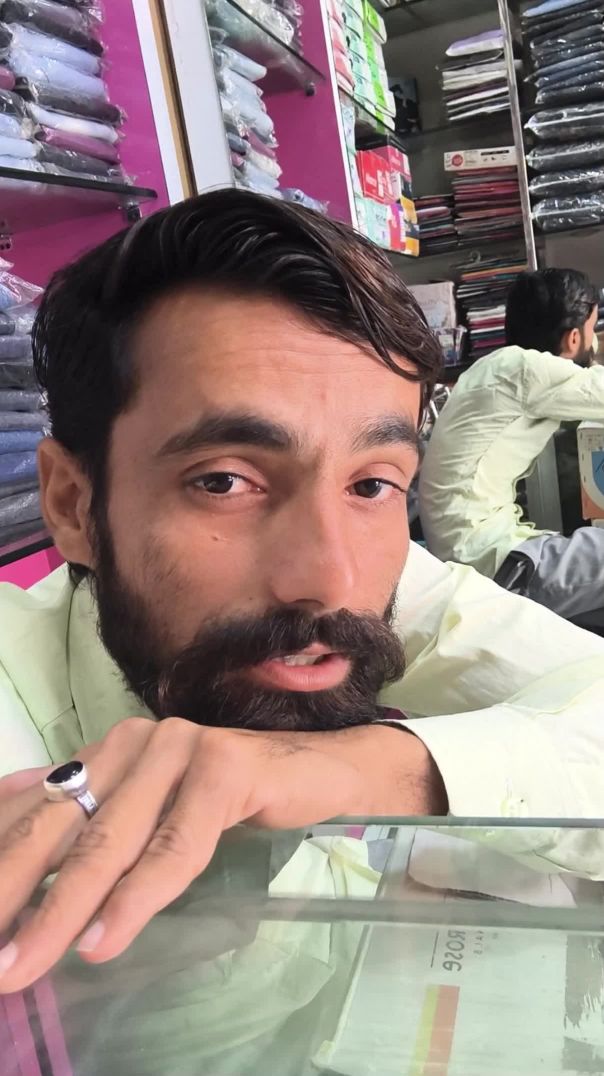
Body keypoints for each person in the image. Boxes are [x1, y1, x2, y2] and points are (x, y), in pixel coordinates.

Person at [1, 194, 604, 1000]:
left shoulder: (387, 580)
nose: (330, 577)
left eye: (372, 484)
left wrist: (368, 768)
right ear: (75, 505)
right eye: (223, 482)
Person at [419, 268, 604, 622]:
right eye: (592, 331)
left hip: (475, 554)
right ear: (573, 339)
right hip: (490, 564)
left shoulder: (493, 367)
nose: (593, 344)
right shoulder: (525, 370)